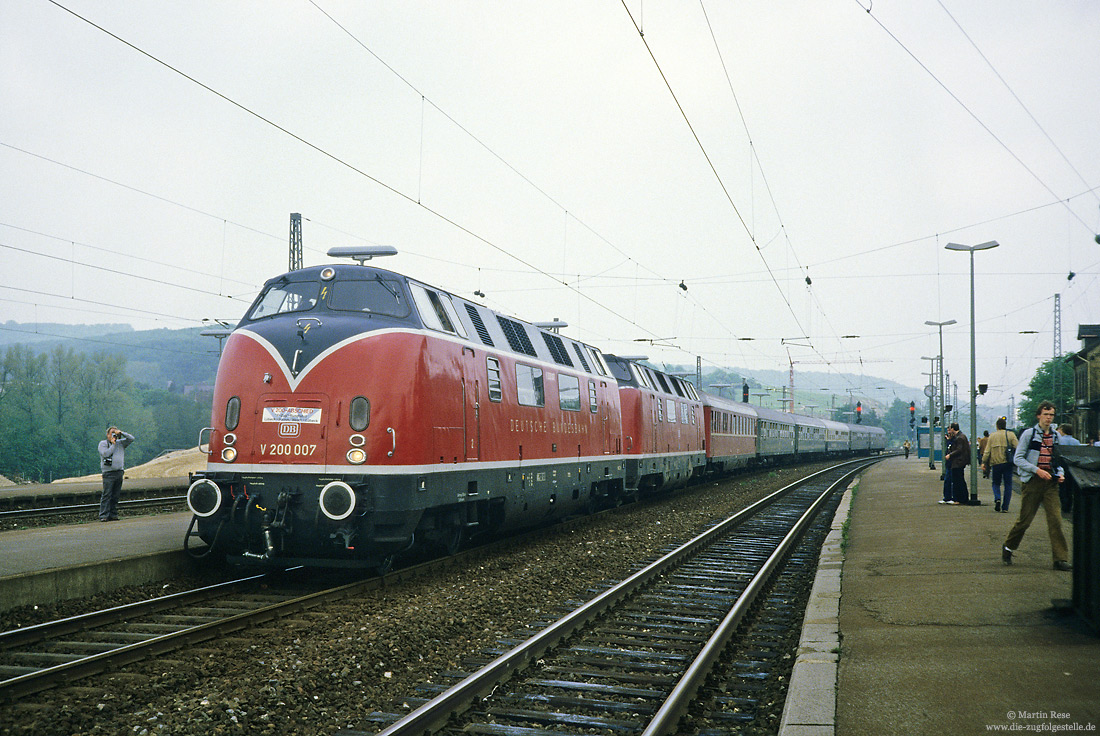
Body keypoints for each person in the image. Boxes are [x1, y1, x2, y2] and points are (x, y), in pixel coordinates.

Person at [1002, 402, 1071, 570]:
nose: (1049, 418)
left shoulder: (1056, 436)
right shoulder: (1029, 434)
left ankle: (1060, 558)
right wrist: (1036, 470)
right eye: (1046, 414)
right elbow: (1018, 459)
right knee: (1025, 521)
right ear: (1039, 415)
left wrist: (1060, 472)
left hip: (1050, 483)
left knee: (1055, 520)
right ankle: (1008, 547)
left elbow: (1059, 460)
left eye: (1051, 415)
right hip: (1033, 482)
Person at [98, 426, 135, 522]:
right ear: (107, 434)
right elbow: (105, 454)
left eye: (115, 433)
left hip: (119, 472)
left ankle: (113, 514)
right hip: (108, 473)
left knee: (115, 495)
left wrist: (121, 433)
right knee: (107, 494)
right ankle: (104, 515)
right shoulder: (103, 444)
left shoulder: (121, 443)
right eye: (111, 433)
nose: (113, 435)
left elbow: (131, 438)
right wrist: (113, 444)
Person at [982, 417, 1018, 513]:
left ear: (997, 426)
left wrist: (983, 462)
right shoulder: (1010, 435)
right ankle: (1005, 507)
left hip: (996, 464)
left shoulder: (992, 436)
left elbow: (987, 451)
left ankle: (997, 498)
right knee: (1008, 484)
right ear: (1005, 426)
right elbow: (1018, 447)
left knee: (996, 483)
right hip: (1008, 463)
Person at [944, 423, 970, 504]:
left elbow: (959, 450)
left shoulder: (959, 438)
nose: (949, 431)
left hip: (958, 462)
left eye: (950, 429)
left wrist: (950, 455)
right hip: (960, 461)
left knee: (957, 481)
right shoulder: (961, 436)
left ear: (953, 429)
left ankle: (959, 499)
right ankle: (963, 498)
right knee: (960, 480)